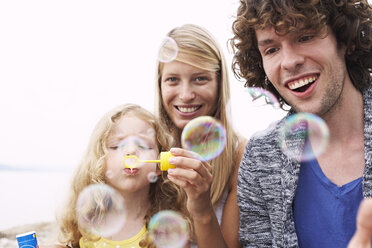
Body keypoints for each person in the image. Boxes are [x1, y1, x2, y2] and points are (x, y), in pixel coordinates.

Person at [230, 0, 372, 247]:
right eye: (271, 50)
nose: (289, 62)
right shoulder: (261, 158)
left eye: (305, 37)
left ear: (345, 40)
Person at [41, 103, 191, 248]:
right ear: (99, 162)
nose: (131, 151)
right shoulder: (86, 219)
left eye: (143, 145)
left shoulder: (169, 230)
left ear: (159, 164)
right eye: (116, 146)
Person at [155, 24, 248, 248]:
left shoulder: (240, 155)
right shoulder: (149, 147)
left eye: (200, 79)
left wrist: (201, 207)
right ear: (159, 85)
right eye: (172, 80)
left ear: (219, 83)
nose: (186, 95)